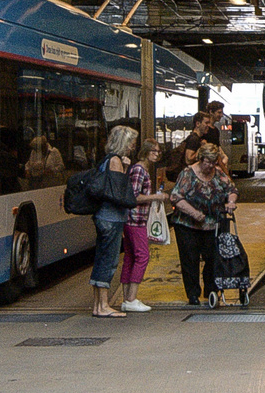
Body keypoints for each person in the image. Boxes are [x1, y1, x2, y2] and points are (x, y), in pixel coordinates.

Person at [90, 127, 159, 318]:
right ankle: (103, 305)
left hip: (104, 216)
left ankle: (98, 305)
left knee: (102, 259)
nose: (131, 147)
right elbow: (120, 191)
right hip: (111, 217)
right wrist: (125, 168)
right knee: (109, 261)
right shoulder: (115, 161)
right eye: (130, 143)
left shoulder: (106, 160)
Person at [169, 142, 237, 306]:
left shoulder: (218, 173)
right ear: (200, 159)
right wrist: (195, 213)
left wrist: (231, 202)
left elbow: (232, 190)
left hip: (212, 225)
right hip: (187, 225)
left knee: (213, 257)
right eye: (208, 162)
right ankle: (193, 294)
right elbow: (176, 197)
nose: (211, 166)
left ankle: (211, 291)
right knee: (190, 259)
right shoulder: (188, 174)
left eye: (214, 162)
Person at [117, 132, 169, 313]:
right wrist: (157, 196)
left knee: (130, 257)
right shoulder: (140, 170)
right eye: (154, 151)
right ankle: (132, 298)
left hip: (132, 219)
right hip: (135, 219)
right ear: (146, 152)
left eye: (158, 152)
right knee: (142, 256)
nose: (157, 154)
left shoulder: (138, 169)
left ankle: (126, 298)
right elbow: (134, 196)